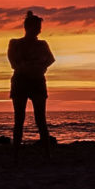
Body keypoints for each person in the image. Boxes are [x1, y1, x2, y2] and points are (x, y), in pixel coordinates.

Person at [7, 10, 56, 159]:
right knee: (19, 120)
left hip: (37, 82)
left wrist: (39, 67)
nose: (39, 30)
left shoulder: (42, 44)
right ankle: (16, 155)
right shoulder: (15, 43)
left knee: (40, 119)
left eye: (39, 27)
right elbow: (14, 64)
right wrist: (34, 66)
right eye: (37, 27)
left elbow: (50, 60)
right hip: (21, 82)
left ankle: (47, 155)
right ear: (28, 27)